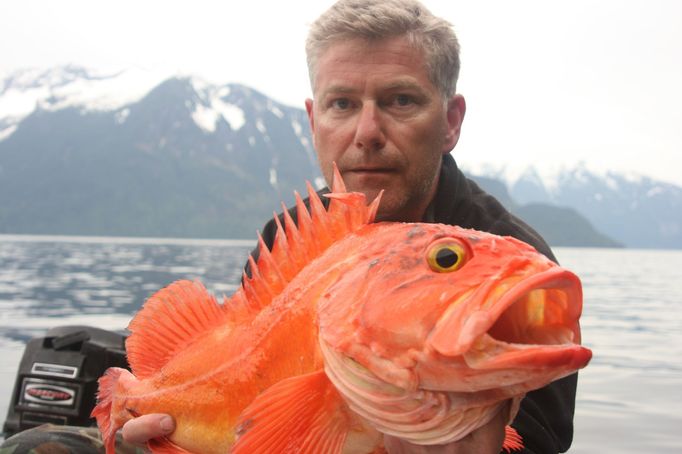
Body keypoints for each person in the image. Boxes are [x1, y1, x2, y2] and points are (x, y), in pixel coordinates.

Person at [0, 0, 577, 452]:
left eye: (400, 101)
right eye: (342, 104)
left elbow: (540, 443)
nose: (367, 131)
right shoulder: (290, 235)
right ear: (313, 119)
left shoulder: (516, 267)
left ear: (450, 122)